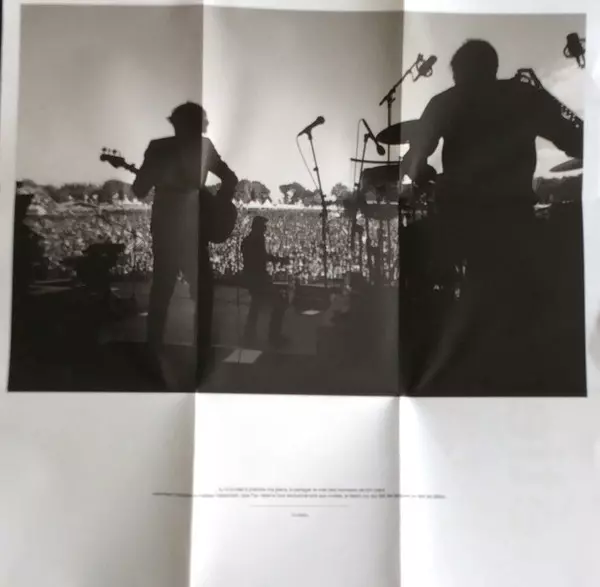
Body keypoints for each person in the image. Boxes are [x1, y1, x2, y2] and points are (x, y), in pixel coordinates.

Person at [401, 39, 584, 391]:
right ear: (493, 67)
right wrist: (544, 95)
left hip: (460, 222)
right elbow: (580, 139)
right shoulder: (524, 96)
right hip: (516, 221)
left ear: (457, 73)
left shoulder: (445, 102)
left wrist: (429, 179)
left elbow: (414, 164)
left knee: (408, 250)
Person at [131, 102, 238, 381]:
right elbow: (231, 178)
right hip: (196, 229)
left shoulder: (158, 148)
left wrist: (152, 174)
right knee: (203, 294)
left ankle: (152, 354)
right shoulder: (205, 146)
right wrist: (218, 204)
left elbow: (139, 188)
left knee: (161, 292)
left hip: (167, 229)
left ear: (176, 123)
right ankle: (203, 357)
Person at [241, 216, 289, 347]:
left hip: (252, 277)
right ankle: (274, 336)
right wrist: (280, 260)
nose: (265, 228)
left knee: (255, 305)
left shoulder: (247, 240)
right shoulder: (257, 240)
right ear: (258, 227)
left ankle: (249, 334)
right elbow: (261, 257)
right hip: (259, 278)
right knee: (280, 302)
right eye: (263, 226)